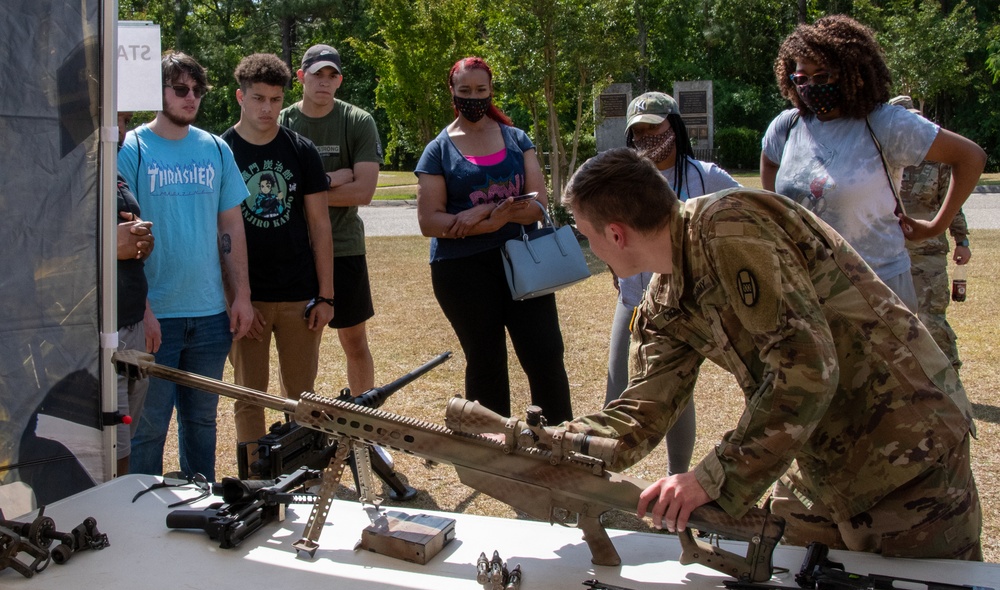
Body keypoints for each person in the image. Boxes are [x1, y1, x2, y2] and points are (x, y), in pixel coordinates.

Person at [561, 148, 981, 560]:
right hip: (816, 457)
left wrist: (711, 478)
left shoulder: (728, 228)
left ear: (615, 234)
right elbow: (642, 411)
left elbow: (807, 369)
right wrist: (541, 446)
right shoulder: (665, 298)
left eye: (585, 234)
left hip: (905, 447)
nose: (591, 247)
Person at [760, 14, 985, 313]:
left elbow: (970, 157)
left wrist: (935, 226)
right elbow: (769, 162)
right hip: (805, 290)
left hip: (878, 289)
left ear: (850, 72)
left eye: (822, 76)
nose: (810, 86)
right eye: (801, 79)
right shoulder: (788, 126)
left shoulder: (885, 124)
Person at [118, 51, 253, 481]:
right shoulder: (132, 149)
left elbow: (230, 225)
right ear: (158, 93)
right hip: (156, 318)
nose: (190, 97)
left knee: (202, 424)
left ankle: (204, 508)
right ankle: (139, 517)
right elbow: (123, 237)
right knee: (148, 430)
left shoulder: (215, 148)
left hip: (211, 317)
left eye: (197, 90)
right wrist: (143, 311)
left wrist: (242, 297)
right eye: (180, 89)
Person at [414, 56, 573, 424]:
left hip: (523, 261)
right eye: (465, 90)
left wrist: (478, 214)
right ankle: (492, 454)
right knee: (486, 363)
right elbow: (430, 221)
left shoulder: (517, 140)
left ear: (491, 91)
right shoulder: (438, 150)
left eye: (481, 90)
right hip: (462, 271)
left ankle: (559, 447)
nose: (474, 97)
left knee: (546, 355)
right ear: (452, 91)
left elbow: (538, 206)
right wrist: (492, 221)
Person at [607, 92, 739, 475]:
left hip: (685, 309)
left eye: (655, 128)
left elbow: (746, 216)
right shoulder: (623, 181)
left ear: (675, 128)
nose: (648, 138)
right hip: (635, 303)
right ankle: (598, 480)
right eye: (639, 132)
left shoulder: (706, 177)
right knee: (618, 389)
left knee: (678, 396)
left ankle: (677, 476)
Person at [220, 54, 334, 457]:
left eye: (274, 99)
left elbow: (320, 227)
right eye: (257, 98)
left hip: (299, 295)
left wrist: (326, 295)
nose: (267, 108)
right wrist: (237, 298)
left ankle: (301, 466)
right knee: (249, 396)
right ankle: (253, 473)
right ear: (240, 97)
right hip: (247, 301)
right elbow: (219, 235)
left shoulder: (301, 150)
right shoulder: (222, 150)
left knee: (302, 397)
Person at [279, 44, 381, 397]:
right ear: (300, 77)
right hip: (295, 252)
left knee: (354, 340)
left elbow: (363, 192)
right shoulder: (283, 122)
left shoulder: (357, 121)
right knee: (298, 347)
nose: (324, 82)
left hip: (344, 247)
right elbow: (278, 194)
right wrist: (331, 179)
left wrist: (306, 192)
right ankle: (298, 430)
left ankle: (364, 426)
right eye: (316, 74)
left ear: (340, 80)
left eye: (331, 75)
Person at [888, 95, 970, 370]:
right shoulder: (881, 158)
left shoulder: (938, 160)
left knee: (931, 316)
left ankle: (948, 375)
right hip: (888, 251)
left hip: (928, 252)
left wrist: (962, 240)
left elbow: (952, 204)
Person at [115, 111, 155, 476]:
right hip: (97, 335)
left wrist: (141, 243)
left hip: (132, 324)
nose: (121, 129)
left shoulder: (116, 176)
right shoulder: (62, 179)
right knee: (111, 449)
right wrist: (110, 244)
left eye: (125, 120)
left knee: (128, 434)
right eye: (113, 118)